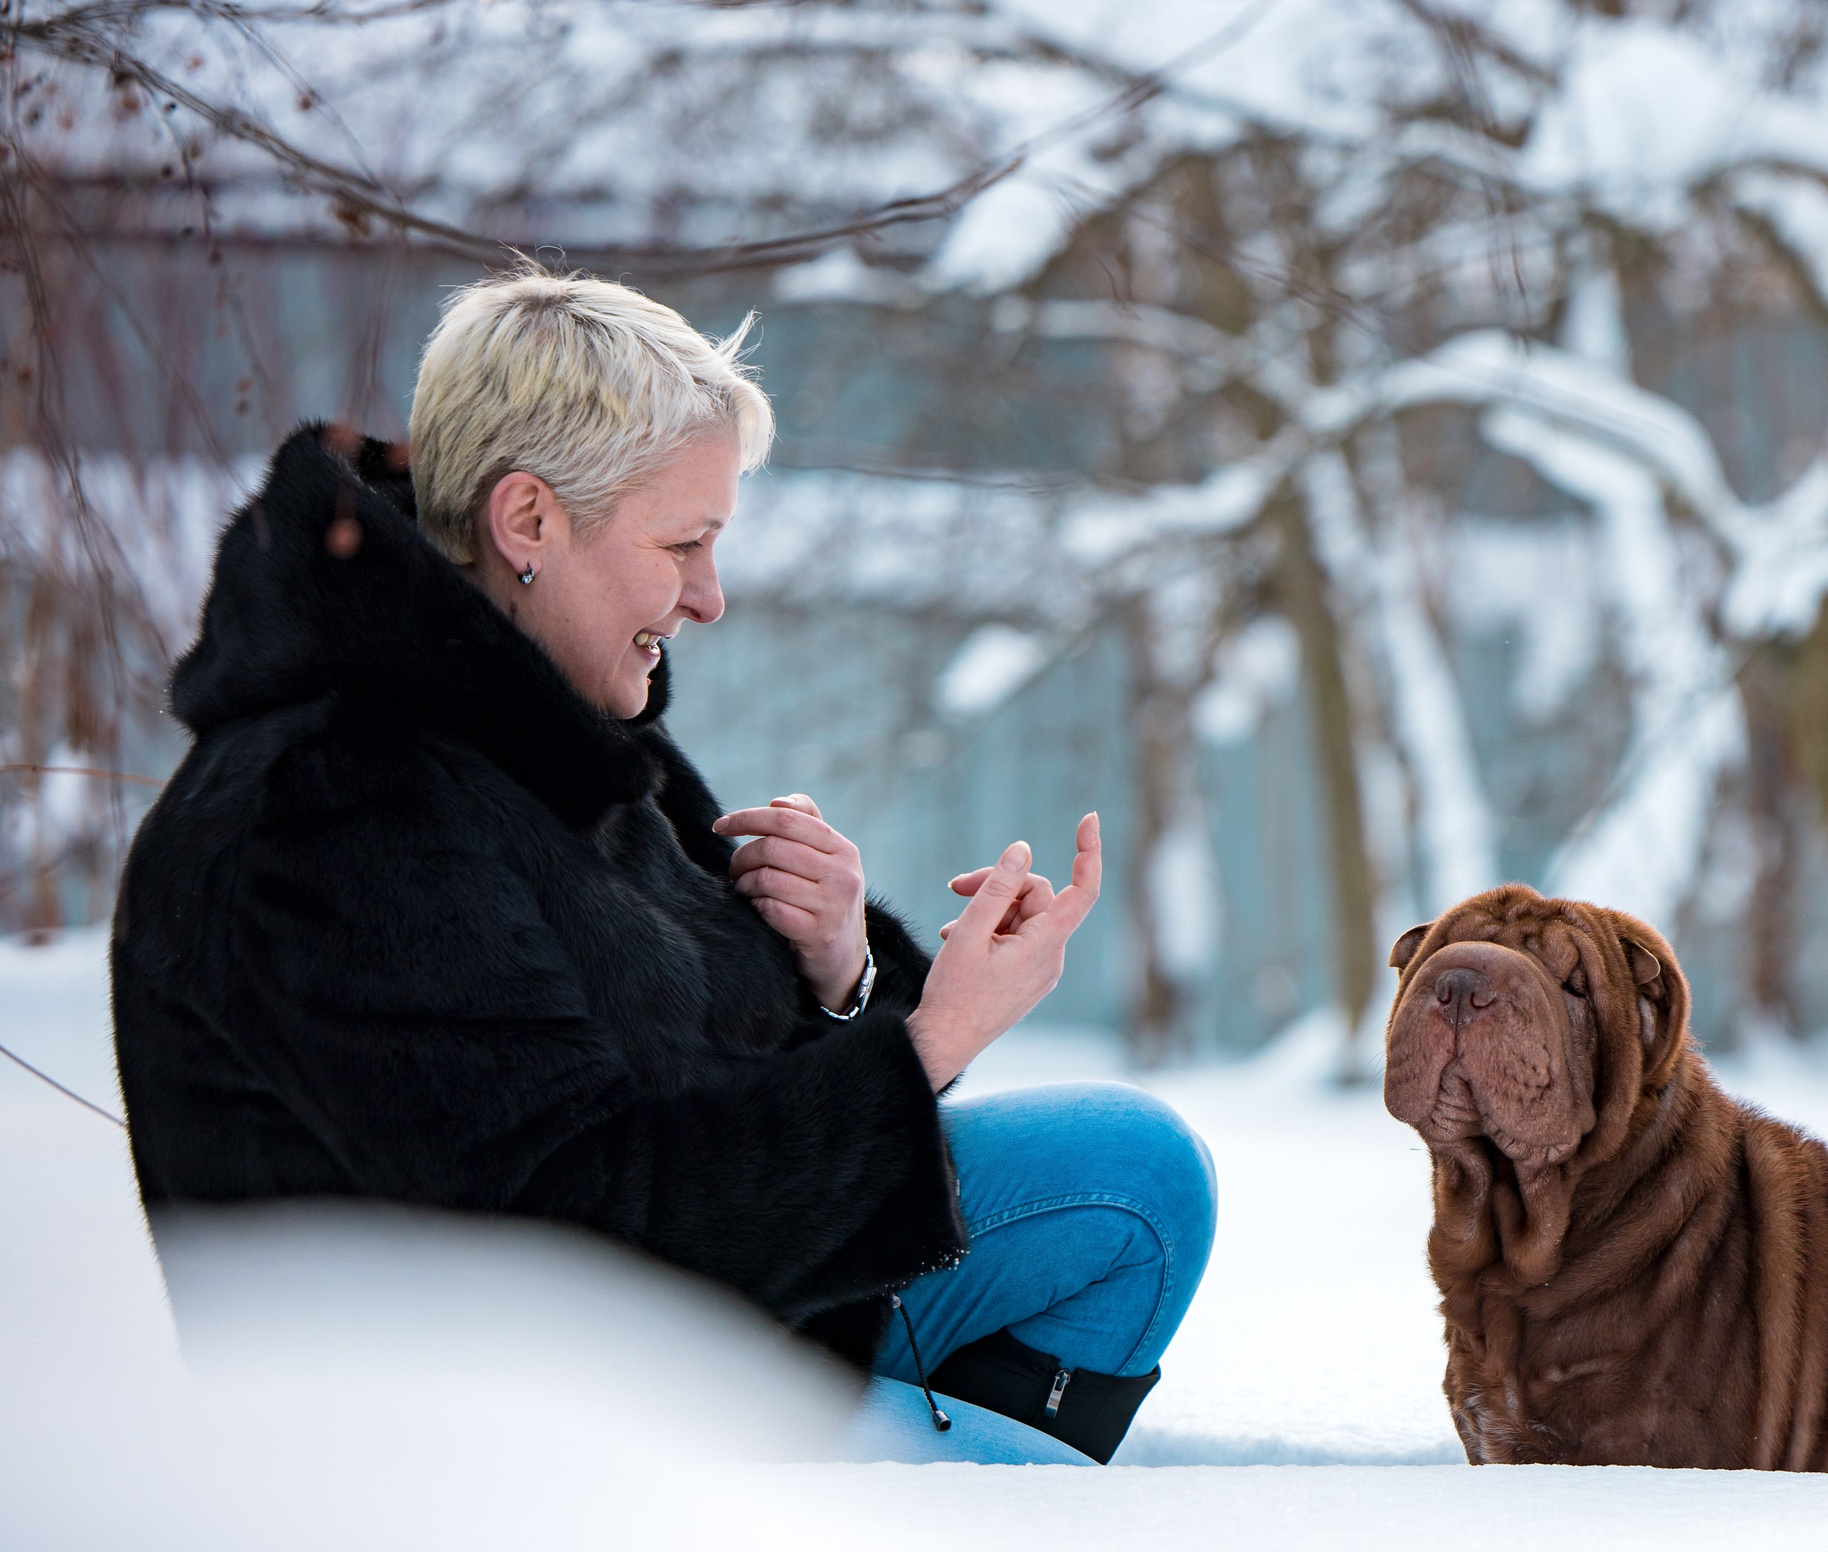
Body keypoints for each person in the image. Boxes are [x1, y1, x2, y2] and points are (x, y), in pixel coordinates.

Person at [110, 268, 1215, 1465]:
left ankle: (963, 1493)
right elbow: (583, 1232)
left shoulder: (557, 731)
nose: (711, 596)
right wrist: (922, 1047)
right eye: (683, 542)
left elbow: (709, 1072)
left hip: (707, 1320)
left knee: (1133, 1174)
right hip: (505, 1458)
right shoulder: (332, 805)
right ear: (528, 521)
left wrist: (842, 972)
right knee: (1042, 1489)